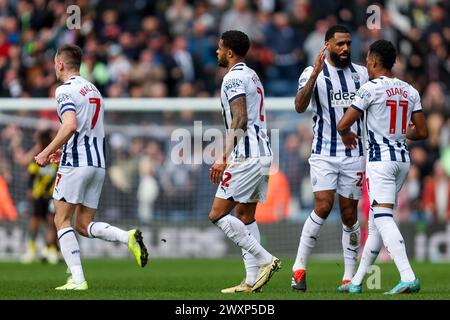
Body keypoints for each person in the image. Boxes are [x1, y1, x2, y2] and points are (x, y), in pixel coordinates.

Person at [34, 44, 148, 290]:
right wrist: (62, 149)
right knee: (83, 225)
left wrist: (44, 152)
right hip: (97, 163)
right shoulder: (93, 89)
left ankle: (77, 279)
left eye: (55, 62)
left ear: (61, 64)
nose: (54, 66)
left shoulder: (63, 90)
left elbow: (70, 125)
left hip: (76, 164)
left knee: (61, 221)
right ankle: (126, 237)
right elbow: (87, 129)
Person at [337, 39, 427, 294]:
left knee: (383, 218)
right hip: (402, 160)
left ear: (375, 61)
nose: (366, 63)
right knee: (377, 220)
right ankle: (355, 282)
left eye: (367, 59)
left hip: (380, 161)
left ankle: (408, 276)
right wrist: (397, 132)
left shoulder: (369, 89)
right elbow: (422, 131)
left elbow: (344, 123)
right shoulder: (410, 90)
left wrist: (345, 132)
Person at [291, 25, 369, 291]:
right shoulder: (312, 73)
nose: (346, 48)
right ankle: (299, 268)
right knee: (323, 206)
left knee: (349, 214)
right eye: (340, 44)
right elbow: (300, 106)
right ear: (326, 46)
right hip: (324, 152)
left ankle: (348, 276)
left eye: (348, 43)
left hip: (355, 153)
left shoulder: (362, 74)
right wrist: (314, 74)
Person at [209, 30, 280, 293]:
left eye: (219, 48)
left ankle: (265, 260)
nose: (216, 52)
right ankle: (252, 282)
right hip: (262, 153)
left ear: (229, 52)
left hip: (246, 156)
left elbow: (239, 118)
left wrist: (223, 157)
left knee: (217, 214)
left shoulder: (233, 78)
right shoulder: (252, 74)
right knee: (245, 215)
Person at [20, 129, 60, 264]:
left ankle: (51, 249)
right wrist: (30, 190)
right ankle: (31, 250)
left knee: (52, 222)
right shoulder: (39, 156)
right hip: (38, 195)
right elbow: (31, 174)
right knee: (35, 223)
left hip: (52, 195)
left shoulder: (56, 157)